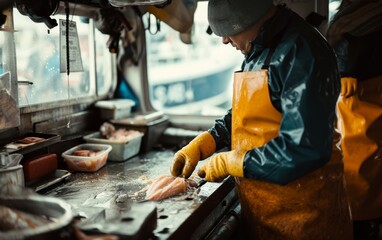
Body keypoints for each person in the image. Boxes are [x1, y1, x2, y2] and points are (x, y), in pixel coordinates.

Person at [170, 0, 353, 239]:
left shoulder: (301, 51)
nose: (224, 40)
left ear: (246, 18)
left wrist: (232, 163)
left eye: (227, 32)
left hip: (305, 220)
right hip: (267, 213)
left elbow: (304, 148)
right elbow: (249, 112)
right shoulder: (259, 44)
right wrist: (209, 140)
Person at [326, 1, 382, 239]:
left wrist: (346, 69)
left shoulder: (353, 17)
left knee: (364, 165)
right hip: (359, 97)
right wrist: (345, 69)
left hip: (366, 98)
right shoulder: (360, 18)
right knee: (360, 165)